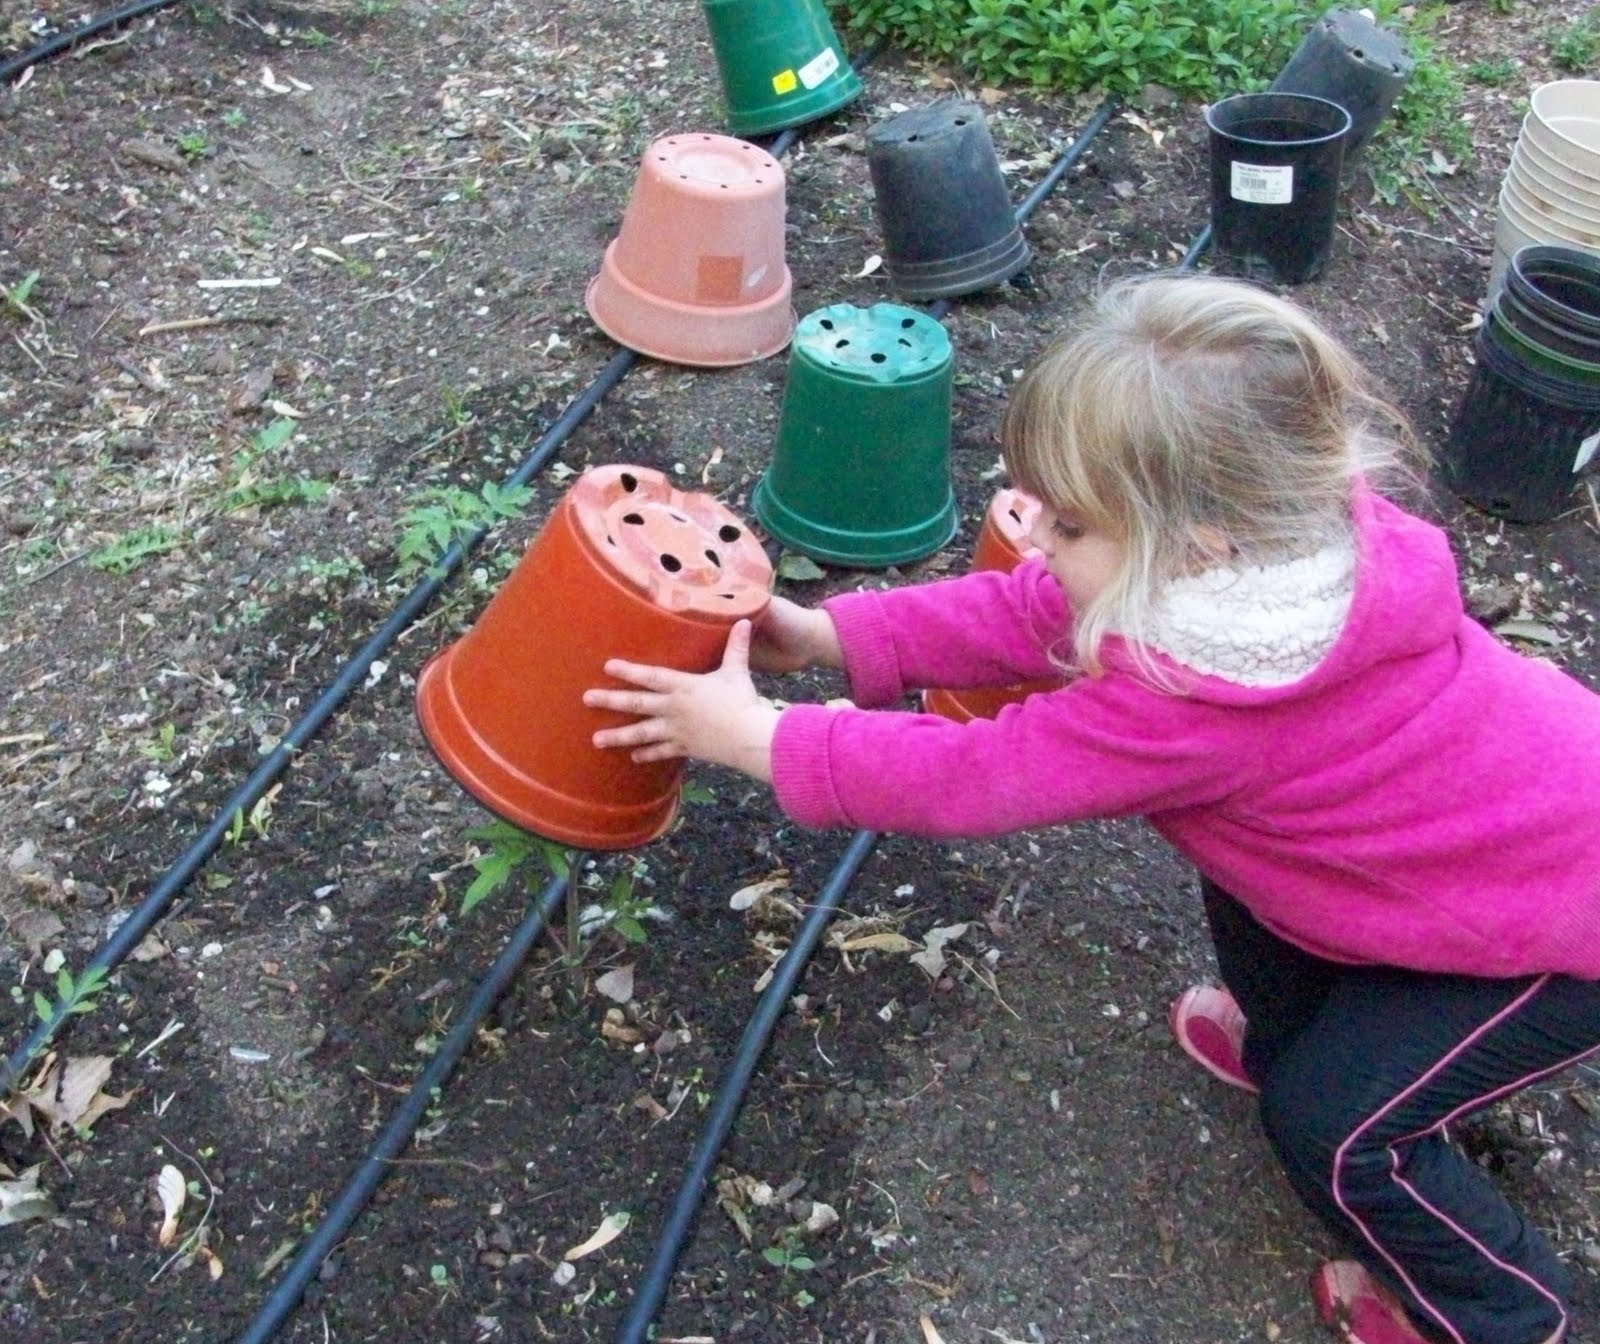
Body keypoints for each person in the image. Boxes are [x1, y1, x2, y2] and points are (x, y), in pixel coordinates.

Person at [583, 272, 1600, 1344]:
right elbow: (1035, 609)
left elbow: (973, 774)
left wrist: (753, 736)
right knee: (1259, 886)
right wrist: (834, 636)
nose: (1036, 539)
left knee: (1340, 1131)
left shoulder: (1200, 706)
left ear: (1197, 540)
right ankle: (1292, 1043)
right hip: (1446, 849)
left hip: (1558, 926)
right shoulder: (1281, 543)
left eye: (1067, 524)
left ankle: (1499, 1308)